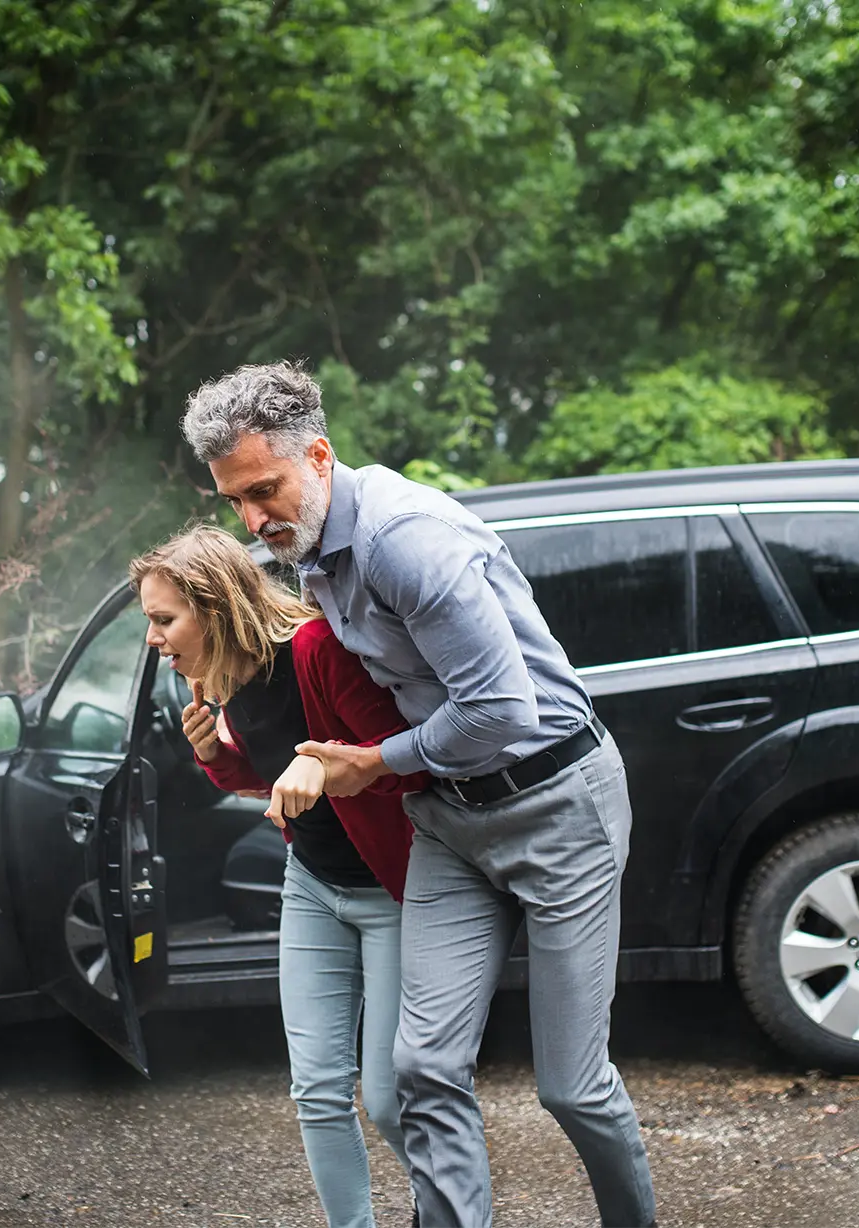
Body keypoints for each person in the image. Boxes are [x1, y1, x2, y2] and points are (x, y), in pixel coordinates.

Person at [179, 363, 657, 1228]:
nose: (252, 519)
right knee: (422, 1071)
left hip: (556, 802)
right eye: (235, 501)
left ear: (318, 457)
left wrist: (369, 762)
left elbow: (503, 710)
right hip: (449, 818)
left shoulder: (404, 539)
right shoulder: (315, 554)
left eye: (263, 490)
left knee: (573, 1086)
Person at [131, 525, 429, 1228]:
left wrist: (324, 762)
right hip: (313, 886)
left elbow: (406, 762)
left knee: (390, 1098)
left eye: (164, 619)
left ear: (213, 608)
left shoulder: (316, 650)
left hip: (390, 893)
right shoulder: (221, 680)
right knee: (318, 1092)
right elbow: (274, 781)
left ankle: (449, 1206)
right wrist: (217, 758)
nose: (153, 638)